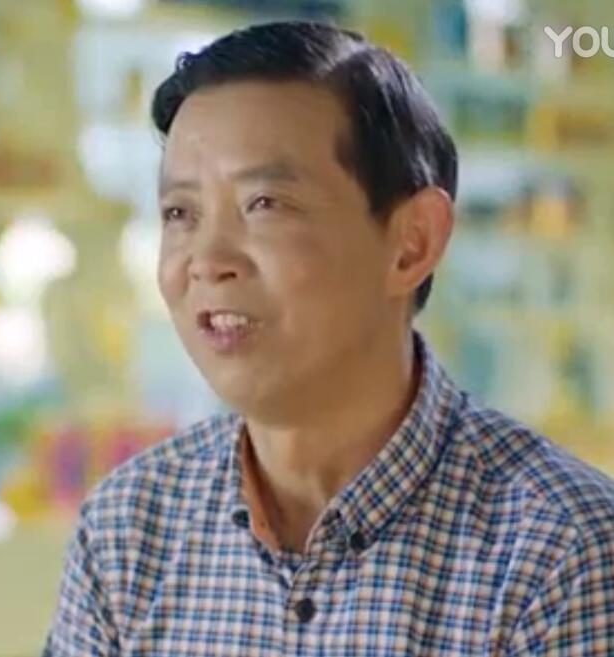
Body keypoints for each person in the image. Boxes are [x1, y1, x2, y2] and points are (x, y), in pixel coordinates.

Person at [42, 21, 614, 656]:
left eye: (264, 203)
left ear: (412, 243)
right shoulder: (125, 532)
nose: (207, 260)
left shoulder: (562, 553)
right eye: (181, 213)